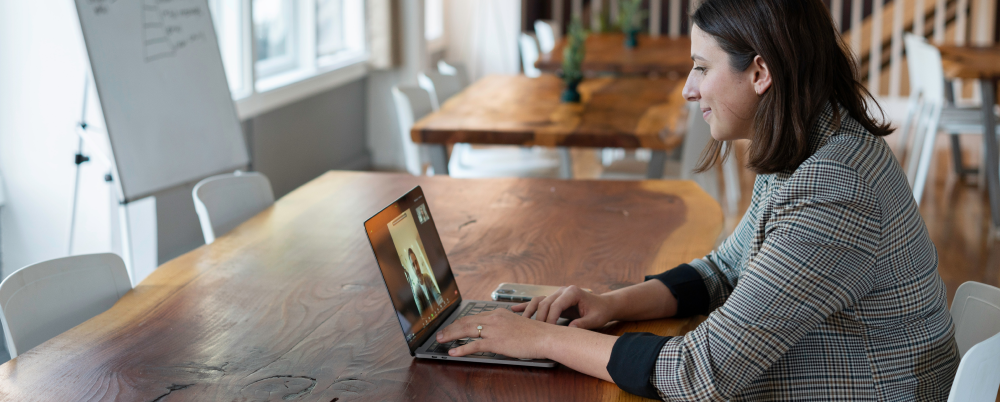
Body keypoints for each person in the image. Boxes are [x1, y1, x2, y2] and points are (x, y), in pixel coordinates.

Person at [435, 0, 959, 400]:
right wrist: (610, 303)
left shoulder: (836, 187)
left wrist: (539, 341)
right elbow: (724, 269)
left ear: (759, 73)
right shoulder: (812, 144)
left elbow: (698, 374)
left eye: (702, 68)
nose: (689, 88)